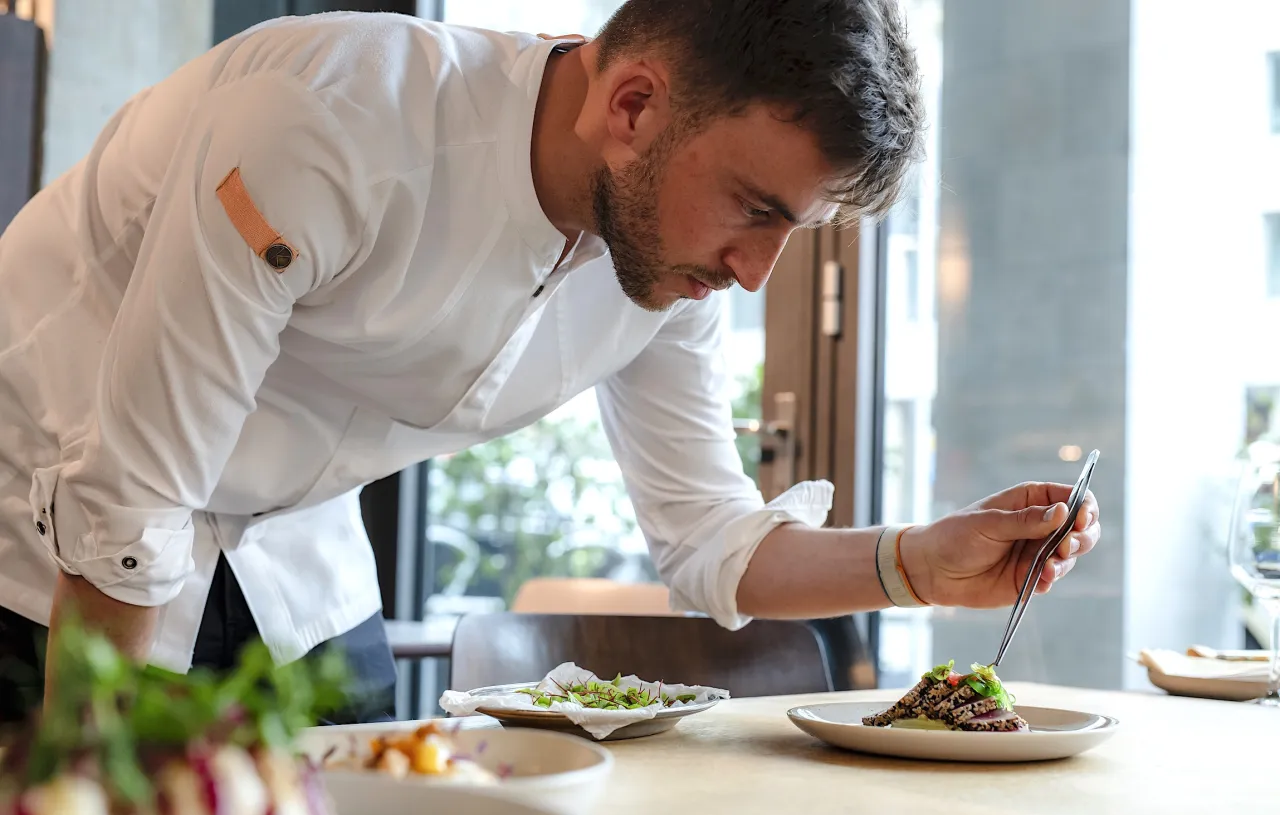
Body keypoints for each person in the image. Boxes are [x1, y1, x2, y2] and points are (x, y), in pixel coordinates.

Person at [0, 0, 1101, 724]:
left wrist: (923, 563)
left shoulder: (669, 261)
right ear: (632, 106)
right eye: (755, 209)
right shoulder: (326, 123)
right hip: (49, 532)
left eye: (793, 232)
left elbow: (710, 541)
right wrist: (86, 806)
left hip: (296, 555)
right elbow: (132, 505)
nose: (754, 272)